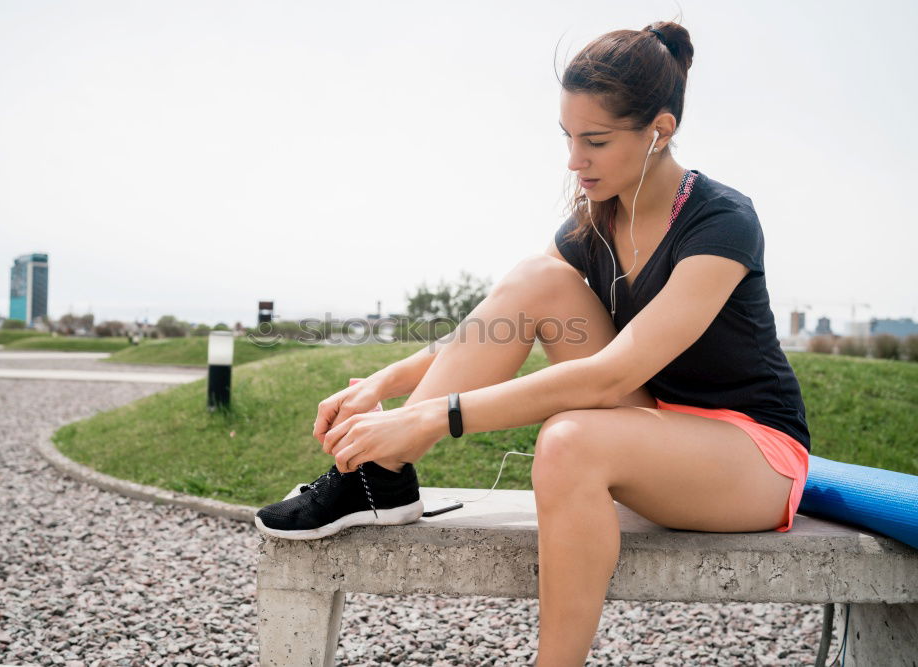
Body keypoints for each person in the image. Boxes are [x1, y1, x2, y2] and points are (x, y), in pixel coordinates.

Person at [255, 19, 811, 666]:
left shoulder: (722, 221)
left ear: (659, 130)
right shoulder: (596, 217)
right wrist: (388, 386)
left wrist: (438, 416)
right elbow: (493, 323)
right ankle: (380, 478)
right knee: (535, 279)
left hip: (752, 453)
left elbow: (610, 373)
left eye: (595, 141)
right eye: (568, 138)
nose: (575, 161)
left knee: (567, 442)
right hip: (655, 427)